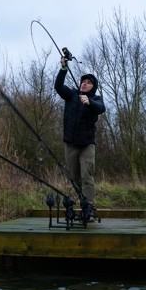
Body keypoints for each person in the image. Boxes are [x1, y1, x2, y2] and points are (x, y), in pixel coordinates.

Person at [54, 56, 105, 205]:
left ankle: (88, 206)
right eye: (83, 81)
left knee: (87, 176)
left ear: (93, 87)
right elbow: (58, 86)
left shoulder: (96, 99)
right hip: (70, 143)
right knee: (73, 177)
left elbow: (101, 108)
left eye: (89, 82)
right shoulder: (72, 95)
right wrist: (63, 69)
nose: (85, 83)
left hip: (87, 145)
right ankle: (80, 201)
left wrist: (89, 102)